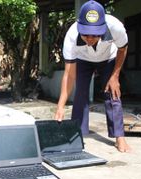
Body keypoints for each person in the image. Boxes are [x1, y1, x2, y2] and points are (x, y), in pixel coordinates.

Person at [54, 0, 131, 152]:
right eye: (85, 34)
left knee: (112, 93)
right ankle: (78, 134)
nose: (89, 38)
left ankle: (119, 136)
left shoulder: (115, 27)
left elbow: (123, 49)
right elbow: (69, 75)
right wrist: (60, 106)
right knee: (81, 93)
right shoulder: (71, 36)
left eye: (94, 35)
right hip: (83, 60)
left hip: (108, 58)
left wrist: (115, 76)